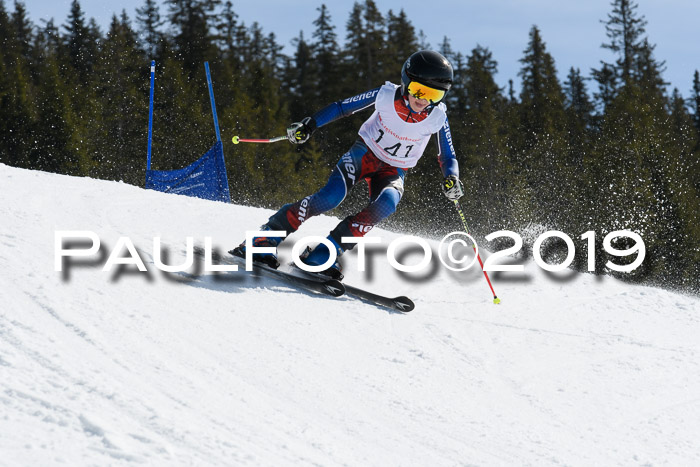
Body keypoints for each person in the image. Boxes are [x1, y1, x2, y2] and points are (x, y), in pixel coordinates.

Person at [231, 50, 465, 280]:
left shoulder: (438, 117)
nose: (423, 100)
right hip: (364, 154)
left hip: (394, 170)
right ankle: (265, 237)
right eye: (419, 90)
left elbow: (447, 156)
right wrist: (309, 125)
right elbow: (343, 107)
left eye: (434, 95)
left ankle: (323, 254)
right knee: (331, 197)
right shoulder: (385, 96)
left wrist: (452, 177)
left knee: (387, 204)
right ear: (406, 82)